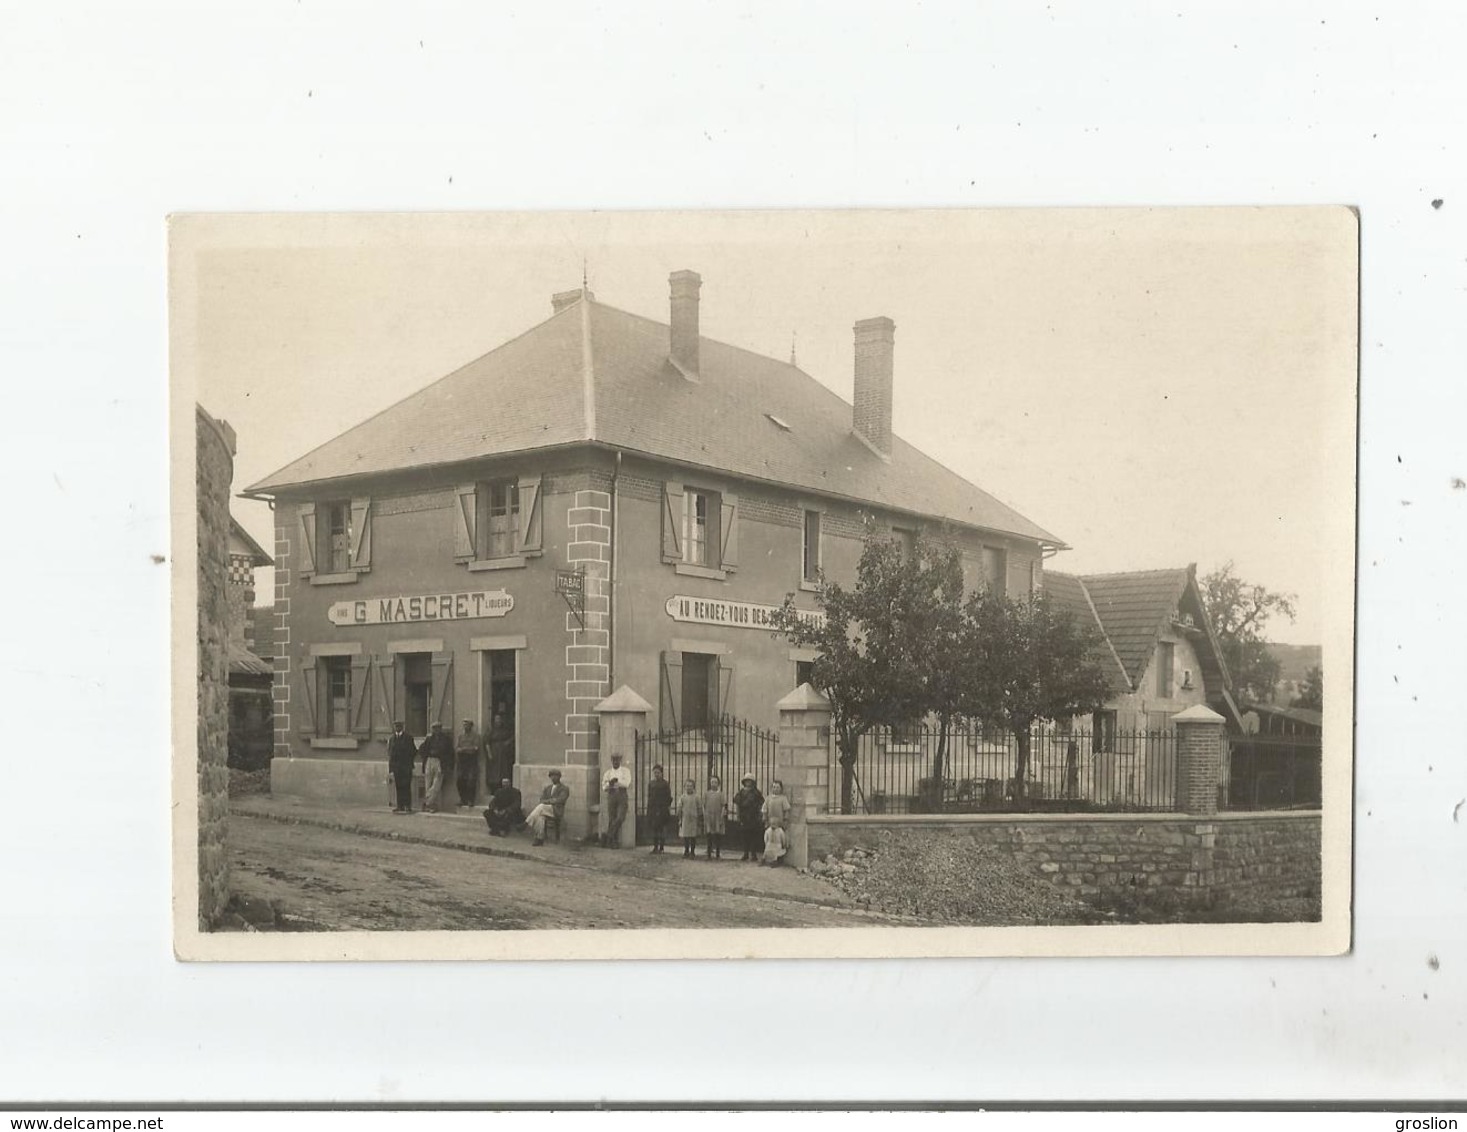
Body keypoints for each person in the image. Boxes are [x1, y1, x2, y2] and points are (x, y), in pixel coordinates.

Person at [525, 769, 570, 846]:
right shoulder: (547, 788)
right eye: (551, 776)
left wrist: (548, 801)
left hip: (556, 811)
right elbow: (542, 799)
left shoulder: (564, 788)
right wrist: (551, 801)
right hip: (546, 810)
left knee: (541, 807)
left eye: (555, 776)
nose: (553, 778)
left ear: (559, 777)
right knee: (540, 817)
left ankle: (526, 823)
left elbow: (560, 800)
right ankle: (539, 838)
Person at [600, 752, 632, 848]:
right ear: (611, 761)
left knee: (620, 817)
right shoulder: (608, 773)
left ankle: (607, 836)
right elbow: (604, 787)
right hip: (612, 795)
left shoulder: (625, 771)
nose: (615, 762)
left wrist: (617, 781)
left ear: (620, 761)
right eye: (613, 760)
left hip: (622, 794)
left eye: (617, 760)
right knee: (612, 818)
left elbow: (627, 783)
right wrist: (610, 783)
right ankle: (613, 842)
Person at [419, 721, 452, 813]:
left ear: (441, 729)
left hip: (440, 762)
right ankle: (431, 805)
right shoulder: (429, 739)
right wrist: (426, 755)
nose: (436, 730)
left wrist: (449, 765)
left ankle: (427, 803)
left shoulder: (446, 739)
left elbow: (450, 753)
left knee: (436, 785)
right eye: (434, 728)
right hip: (429, 761)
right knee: (427, 784)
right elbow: (421, 750)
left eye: (437, 728)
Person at [386, 720, 417, 814]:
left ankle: (407, 806)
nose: (398, 728)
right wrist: (391, 768)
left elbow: (413, 751)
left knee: (406, 786)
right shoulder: (392, 739)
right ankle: (400, 806)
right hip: (397, 767)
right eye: (396, 726)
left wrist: (408, 761)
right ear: (394, 727)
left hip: (406, 766)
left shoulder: (408, 738)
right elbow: (390, 753)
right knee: (398, 787)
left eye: (399, 726)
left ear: (402, 727)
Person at [732, 774, 765, 861]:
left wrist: (760, 815)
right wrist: (738, 815)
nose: (748, 783)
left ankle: (753, 854)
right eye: (746, 781)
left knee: (754, 836)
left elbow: (761, 804)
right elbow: (737, 804)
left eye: (750, 781)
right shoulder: (741, 792)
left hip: (753, 816)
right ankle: (745, 853)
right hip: (744, 817)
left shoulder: (756, 793)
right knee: (745, 836)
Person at [454, 717, 485, 809]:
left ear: (471, 726)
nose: (465, 727)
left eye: (467, 725)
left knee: (471, 781)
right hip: (462, 761)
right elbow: (457, 748)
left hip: (471, 760)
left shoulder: (476, 736)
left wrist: (464, 749)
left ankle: (470, 800)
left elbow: (475, 748)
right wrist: (464, 749)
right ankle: (462, 799)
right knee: (460, 780)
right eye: (464, 725)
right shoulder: (460, 736)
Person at [645, 763, 672, 854]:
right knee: (654, 829)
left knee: (661, 829)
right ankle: (655, 847)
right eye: (655, 773)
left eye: (658, 772)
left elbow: (669, 797)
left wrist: (665, 807)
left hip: (662, 809)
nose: (656, 774)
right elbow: (649, 796)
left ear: (661, 773)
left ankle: (661, 847)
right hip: (653, 809)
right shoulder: (651, 783)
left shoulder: (665, 784)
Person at [674, 778, 702, 858]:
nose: (689, 787)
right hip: (685, 818)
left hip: (694, 818)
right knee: (685, 836)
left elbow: (699, 808)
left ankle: (692, 852)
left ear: (694, 787)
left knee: (693, 836)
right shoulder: (682, 797)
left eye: (690, 786)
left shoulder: (696, 797)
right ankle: (686, 851)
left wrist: (699, 817)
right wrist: (679, 817)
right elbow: (679, 808)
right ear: (684, 787)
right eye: (687, 786)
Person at [488, 706, 514, 784]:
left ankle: (502, 783)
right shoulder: (491, 730)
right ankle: (494, 784)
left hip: (503, 752)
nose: (498, 721)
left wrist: (507, 742)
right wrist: (489, 753)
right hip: (494, 751)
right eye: (496, 719)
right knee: (494, 770)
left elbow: (512, 736)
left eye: (499, 719)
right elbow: (486, 742)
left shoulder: (505, 729)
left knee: (503, 768)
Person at [703, 774, 727, 860]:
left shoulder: (721, 794)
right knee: (709, 836)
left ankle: (717, 853)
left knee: (718, 835)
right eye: (712, 782)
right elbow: (704, 805)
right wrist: (705, 815)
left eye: (715, 782)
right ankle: (709, 853)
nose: (713, 784)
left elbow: (723, 805)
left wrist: (721, 816)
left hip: (718, 816)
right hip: (709, 816)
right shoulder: (706, 794)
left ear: (718, 784)